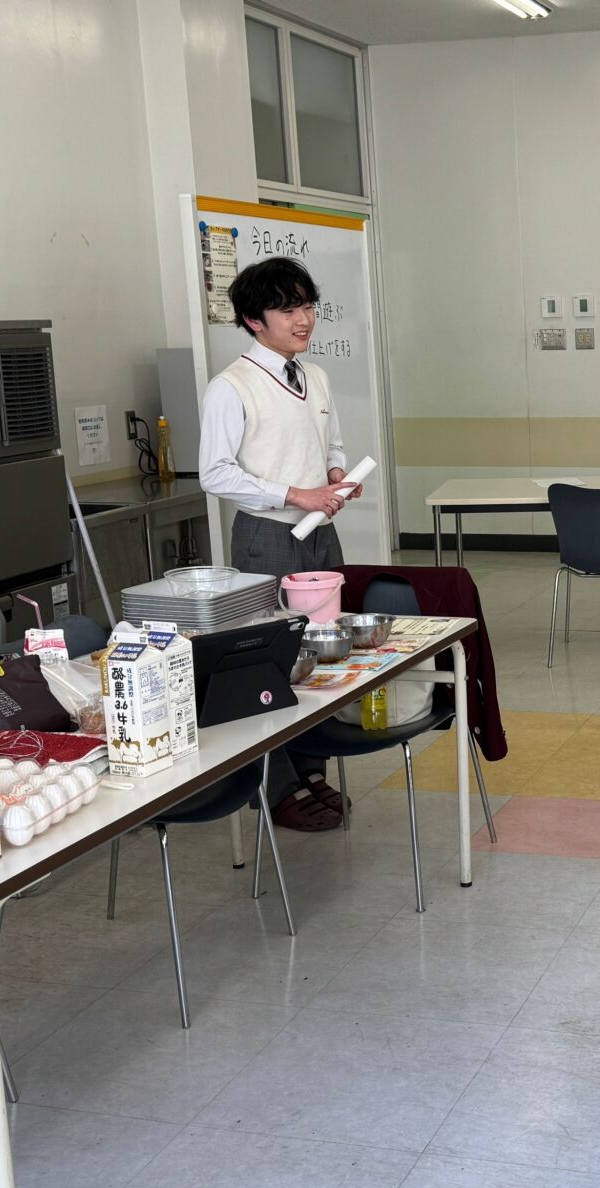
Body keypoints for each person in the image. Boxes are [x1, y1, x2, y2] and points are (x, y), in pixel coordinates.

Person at [199, 256, 363, 829]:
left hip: (320, 532)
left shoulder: (314, 376)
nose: (304, 319)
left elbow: (330, 443)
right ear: (253, 319)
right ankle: (278, 785)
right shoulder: (231, 386)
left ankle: (312, 768)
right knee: (271, 658)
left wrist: (336, 475)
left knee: (321, 649)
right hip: (265, 535)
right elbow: (215, 473)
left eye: (308, 306)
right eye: (288, 309)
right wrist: (296, 493)